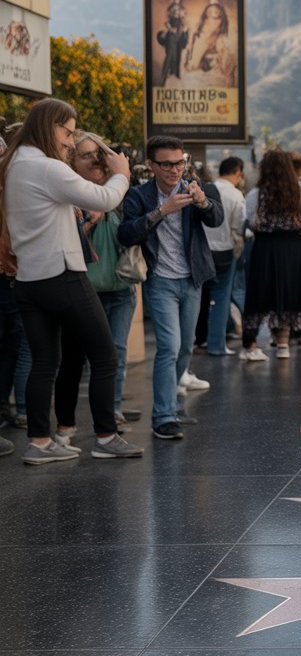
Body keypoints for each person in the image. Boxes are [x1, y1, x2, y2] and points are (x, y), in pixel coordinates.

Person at [1, 99, 143, 462]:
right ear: (50, 127)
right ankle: (106, 437)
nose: (69, 141)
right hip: (62, 275)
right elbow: (105, 198)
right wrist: (121, 172)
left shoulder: (14, 164)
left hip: (28, 280)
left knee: (45, 362)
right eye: (67, 132)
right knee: (105, 356)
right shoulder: (46, 167)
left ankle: (39, 443)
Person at [119, 135, 224, 440]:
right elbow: (125, 234)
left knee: (186, 347)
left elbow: (216, 218)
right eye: (166, 164)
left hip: (192, 278)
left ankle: (172, 406)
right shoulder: (139, 195)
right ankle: (163, 416)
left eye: (179, 162)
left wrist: (202, 202)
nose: (174, 169)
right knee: (168, 346)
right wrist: (162, 211)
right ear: (151, 165)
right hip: (160, 280)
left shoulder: (194, 189)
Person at [71, 132, 141, 426]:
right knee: (84, 358)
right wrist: (90, 221)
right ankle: (78, 418)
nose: (95, 160)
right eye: (86, 155)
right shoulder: (69, 194)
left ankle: (112, 409)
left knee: (118, 351)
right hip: (85, 289)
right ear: (71, 161)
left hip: (121, 286)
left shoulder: (122, 193)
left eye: (99, 154)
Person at [239, 149, 301, 362]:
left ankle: (251, 341)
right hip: (295, 250)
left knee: (262, 294)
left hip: (265, 249)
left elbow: (251, 222)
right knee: (291, 293)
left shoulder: (256, 194)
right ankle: (285, 343)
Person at [198, 156, 246, 355]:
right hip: (225, 251)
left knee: (199, 296)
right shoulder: (236, 195)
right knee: (221, 297)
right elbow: (239, 226)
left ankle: (199, 339)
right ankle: (216, 345)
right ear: (237, 172)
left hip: (201, 250)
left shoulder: (204, 190)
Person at [181, 0, 237, 88]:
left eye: (216, 11)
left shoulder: (222, 23)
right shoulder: (203, 22)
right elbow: (199, 35)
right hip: (202, 43)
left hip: (213, 44)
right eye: (211, 10)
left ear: (220, 11)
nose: (213, 12)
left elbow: (219, 37)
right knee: (193, 65)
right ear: (207, 12)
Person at [156, 0, 188, 87]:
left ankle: (177, 74)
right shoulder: (169, 9)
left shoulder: (182, 9)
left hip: (180, 33)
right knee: (169, 55)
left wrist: (185, 29)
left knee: (178, 54)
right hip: (172, 34)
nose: (176, 0)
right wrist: (170, 29)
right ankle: (163, 78)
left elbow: (184, 21)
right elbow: (167, 22)